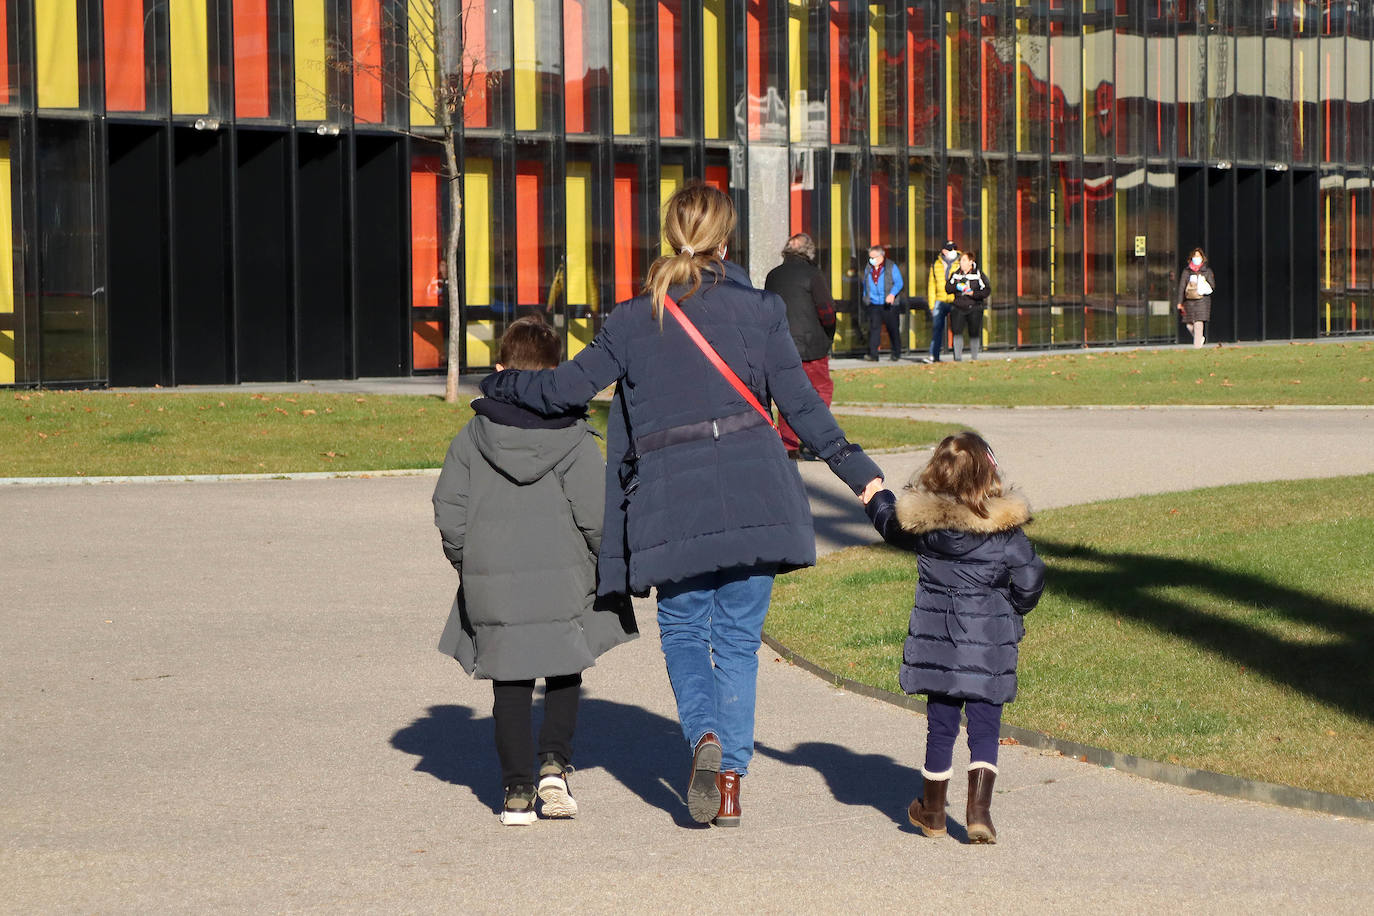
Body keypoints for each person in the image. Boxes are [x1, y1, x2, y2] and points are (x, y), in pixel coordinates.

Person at [479, 184, 885, 827]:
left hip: (673, 508)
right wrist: (867, 483)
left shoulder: (633, 318)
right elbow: (804, 409)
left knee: (687, 633)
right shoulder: (761, 310)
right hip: (756, 496)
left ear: (671, 236)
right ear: (726, 240)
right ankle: (730, 785)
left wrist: (504, 383)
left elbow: (564, 391)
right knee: (739, 643)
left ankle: (703, 737)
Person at [432, 316, 638, 826]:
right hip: (565, 580)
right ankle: (553, 764)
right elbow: (596, 517)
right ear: (555, 376)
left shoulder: (471, 436)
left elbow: (449, 509)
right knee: (566, 668)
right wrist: (609, 566)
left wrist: (467, 562)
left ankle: (517, 791)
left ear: (501, 368)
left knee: (509, 682)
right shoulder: (573, 438)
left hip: (494, 581)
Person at [864, 432, 1045, 844]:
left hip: (938, 643)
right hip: (989, 643)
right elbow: (1031, 577)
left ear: (936, 473)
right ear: (988, 474)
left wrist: (875, 496)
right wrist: (1014, 608)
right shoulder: (1005, 532)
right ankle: (979, 813)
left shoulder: (925, 527)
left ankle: (932, 812)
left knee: (941, 726)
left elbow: (890, 523)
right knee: (985, 726)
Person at [765, 232, 837, 460]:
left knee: (787, 396)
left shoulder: (773, 275)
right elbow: (827, 311)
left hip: (781, 344)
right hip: (811, 345)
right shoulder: (813, 274)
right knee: (821, 391)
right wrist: (829, 333)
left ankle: (789, 445)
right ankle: (814, 439)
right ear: (809, 251)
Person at [862, 244, 905, 361]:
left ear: (881, 256)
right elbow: (865, 284)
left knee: (893, 329)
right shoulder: (868, 268)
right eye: (870, 257)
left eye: (873, 257)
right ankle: (873, 354)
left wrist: (892, 294)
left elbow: (899, 283)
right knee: (874, 329)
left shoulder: (891, 266)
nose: (871, 260)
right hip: (874, 303)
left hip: (889, 304)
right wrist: (866, 298)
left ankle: (896, 353)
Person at [946, 250, 990, 361]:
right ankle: (957, 359)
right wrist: (957, 286)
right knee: (957, 332)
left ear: (971, 262)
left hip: (974, 307)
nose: (961, 262)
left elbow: (986, 290)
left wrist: (973, 294)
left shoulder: (978, 274)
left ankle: (974, 358)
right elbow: (948, 288)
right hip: (958, 307)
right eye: (961, 260)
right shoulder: (956, 274)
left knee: (974, 333)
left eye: (964, 260)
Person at [923, 241, 960, 363]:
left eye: (954, 249)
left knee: (957, 329)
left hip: (955, 300)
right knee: (937, 329)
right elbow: (931, 285)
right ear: (943, 251)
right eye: (950, 249)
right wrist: (931, 304)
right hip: (940, 300)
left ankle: (957, 356)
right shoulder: (936, 265)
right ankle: (933, 355)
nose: (952, 251)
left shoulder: (960, 263)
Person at [1176, 247, 1215, 349]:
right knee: (1189, 325)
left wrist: (1203, 283)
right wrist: (1180, 302)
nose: (1196, 258)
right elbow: (1182, 287)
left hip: (1202, 301)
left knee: (1198, 323)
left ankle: (1197, 347)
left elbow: (1212, 285)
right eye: (1194, 256)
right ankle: (1199, 338)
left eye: (1198, 256)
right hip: (1189, 301)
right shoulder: (1187, 271)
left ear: (1202, 258)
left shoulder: (1207, 271)